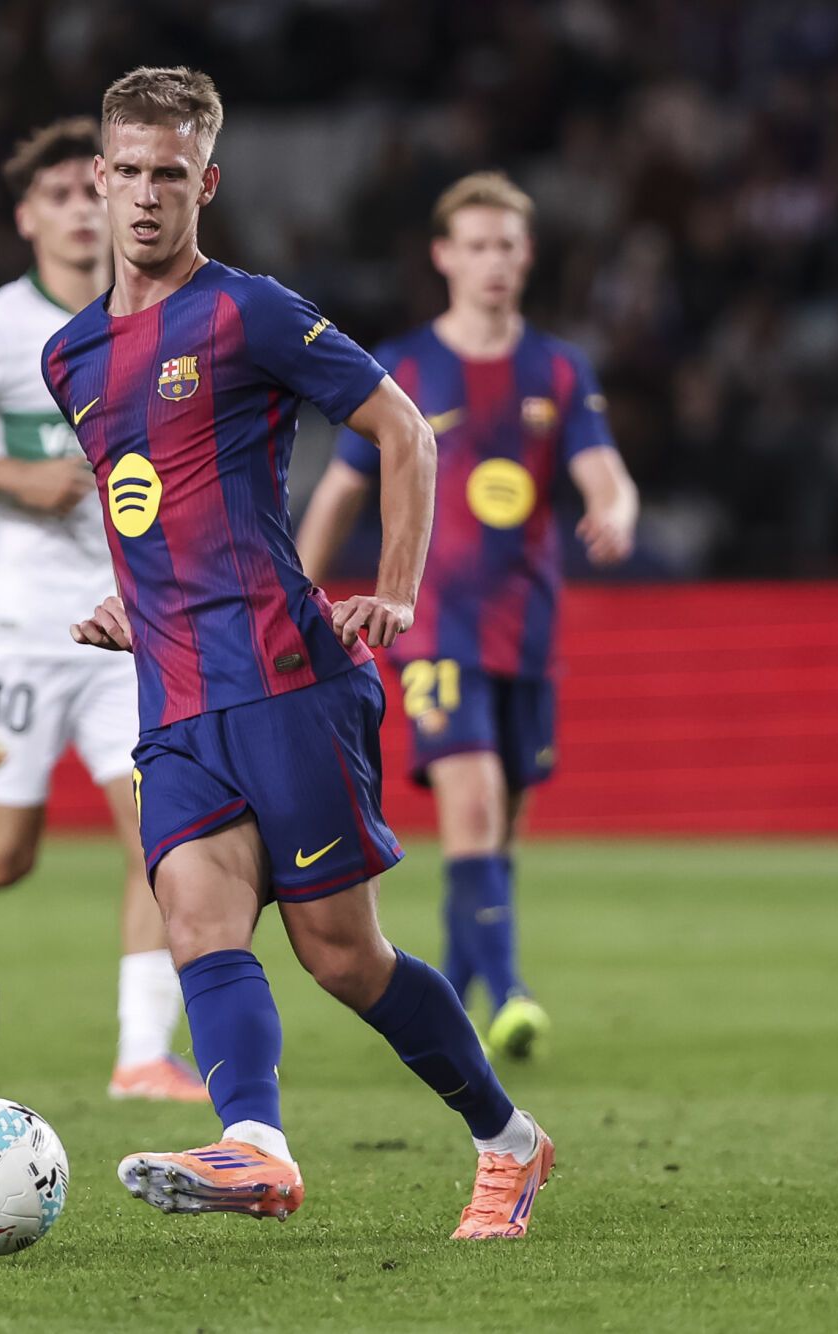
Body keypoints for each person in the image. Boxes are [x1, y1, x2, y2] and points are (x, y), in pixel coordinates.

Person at [48, 67, 552, 1238]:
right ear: (98, 177)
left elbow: (400, 430)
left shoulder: (249, 312)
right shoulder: (68, 356)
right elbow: (148, 501)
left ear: (205, 183)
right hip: (173, 697)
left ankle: (507, 1139)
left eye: (172, 174)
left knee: (341, 956)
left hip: (285, 679)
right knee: (196, 922)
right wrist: (132, 599)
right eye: (130, 172)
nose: (146, 195)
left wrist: (394, 589)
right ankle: (256, 1147)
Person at [0, 117, 207, 1102]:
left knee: (163, 836)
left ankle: (141, 1053)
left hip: (129, 629)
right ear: (26, 218)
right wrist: (15, 478)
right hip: (17, 631)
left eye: (85, 192)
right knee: (2, 858)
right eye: (54, 197)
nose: (77, 213)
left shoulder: (156, 314)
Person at [296, 172, 639, 1063]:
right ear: (445, 256)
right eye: (477, 246)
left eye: (507, 246)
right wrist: (295, 591)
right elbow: (341, 489)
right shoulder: (405, 368)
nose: (494, 262)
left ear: (528, 257)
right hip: (435, 623)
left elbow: (604, 473)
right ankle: (513, 994)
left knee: (500, 824)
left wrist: (616, 512)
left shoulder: (558, 369)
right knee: (474, 803)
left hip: (527, 627)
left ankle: (444, 998)